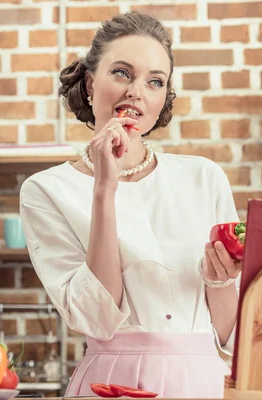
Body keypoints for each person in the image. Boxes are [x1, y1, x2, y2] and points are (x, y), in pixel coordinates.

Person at [19, 11, 241, 399]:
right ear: (90, 83)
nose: (136, 91)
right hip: (111, 382)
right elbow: (97, 319)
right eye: (122, 73)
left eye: (155, 81)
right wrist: (105, 187)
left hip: (205, 382)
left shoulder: (204, 178)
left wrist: (221, 280)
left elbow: (229, 335)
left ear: (162, 98)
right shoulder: (46, 190)